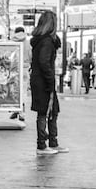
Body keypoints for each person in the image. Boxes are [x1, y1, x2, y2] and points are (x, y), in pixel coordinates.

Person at [30, 10, 69, 155]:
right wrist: (50, 79)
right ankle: (42, 144)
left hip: (39, 79)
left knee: (51, 111)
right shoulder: (47, 41)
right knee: (45, 112)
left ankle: (52, 142)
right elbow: (44, 61)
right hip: (44, 81)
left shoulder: (40, 40)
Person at [9, 26, 31, 121]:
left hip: (14, 70)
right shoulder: (28, 43)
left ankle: (15, 110)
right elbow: (31, 56)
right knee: (23, 92)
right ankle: (22, 113)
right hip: (25, 69)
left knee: (14, 91)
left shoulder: (12, 43)